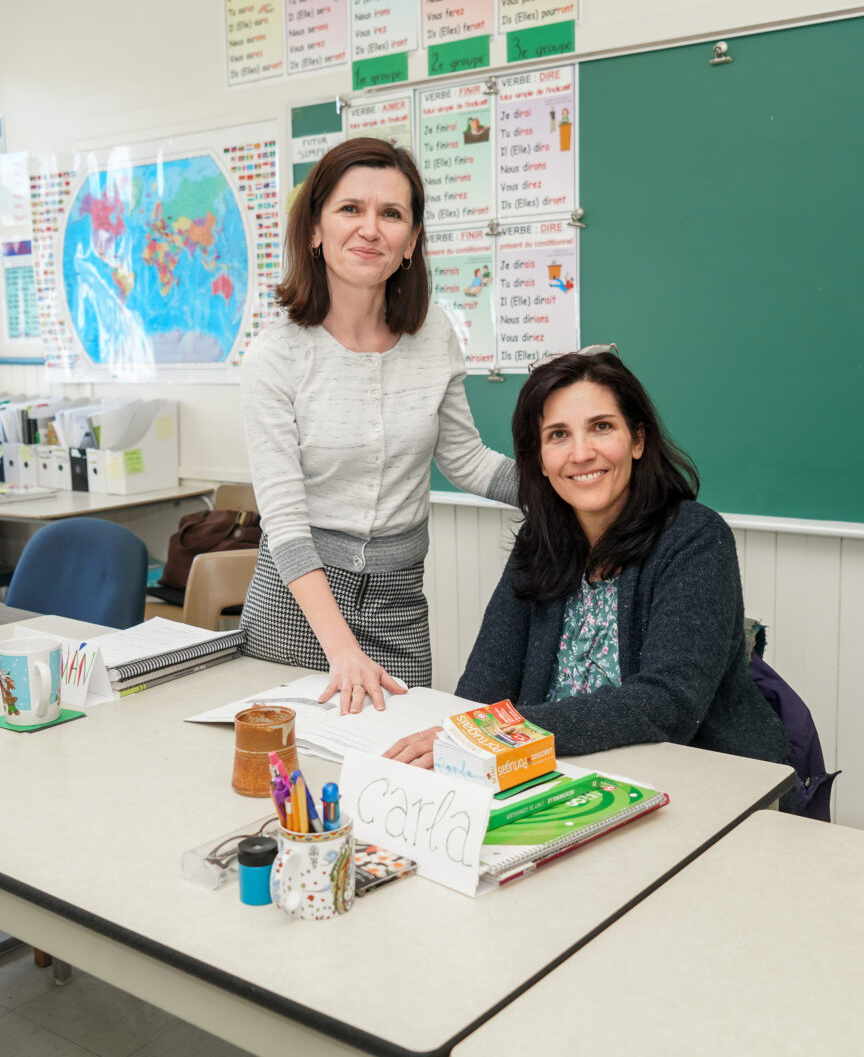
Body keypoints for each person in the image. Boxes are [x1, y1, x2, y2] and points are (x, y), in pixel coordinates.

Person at [384, 346, 787, 768]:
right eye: (558, 435)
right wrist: (455, 746)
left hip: (696, 777)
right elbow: (487, 679)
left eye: (601, 427)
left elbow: (668, 702)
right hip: (555, 770)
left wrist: (500, 734)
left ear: (637, 440)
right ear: (538, 460)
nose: (581, 454)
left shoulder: (695, 538)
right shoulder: (538, 539)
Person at [240, 138, 516, 713]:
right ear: (314, 229)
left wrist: (570, 488)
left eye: (391, 214)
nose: (371, 229)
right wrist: (341, 649)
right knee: (291, 783)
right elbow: (285, 524)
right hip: (298, 608)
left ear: (411, 241)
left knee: (396, 777)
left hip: (399, 606)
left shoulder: (433, 333)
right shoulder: (276, 356)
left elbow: (466, 460)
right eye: (350, 209)